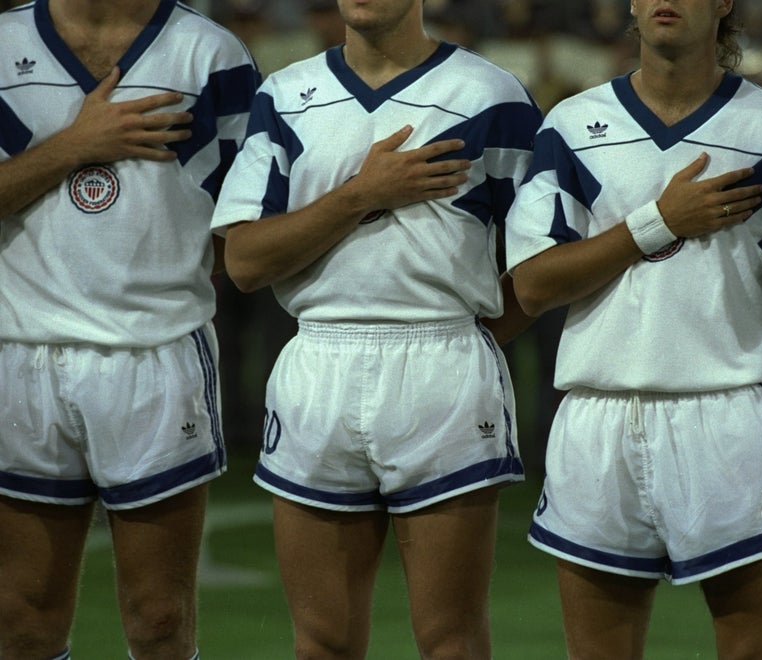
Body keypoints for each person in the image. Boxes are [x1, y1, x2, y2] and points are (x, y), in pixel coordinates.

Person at [209, 0, 541, 657]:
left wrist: (466, 341)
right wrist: (362, 193)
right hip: (319, 363)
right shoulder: (286, 94)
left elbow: (540, 269)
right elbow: (244, 263)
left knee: (451, 640)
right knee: (321, 643)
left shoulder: (490, 95)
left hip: (443, 364)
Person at [505, 0, 762, 657]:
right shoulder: (572, 125)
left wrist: (746, 364)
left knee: (756, 649)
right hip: (597, 417)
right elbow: (534, 284)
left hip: (731, 418)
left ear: (723, 5)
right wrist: (660, 221)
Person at [0, 1, 259, 659]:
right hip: (21, 352)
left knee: (160, 621)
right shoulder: (2, 46)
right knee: (21, 622)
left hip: (157, 353)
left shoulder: (211, 53)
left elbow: (247, 221)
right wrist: (74, 145)